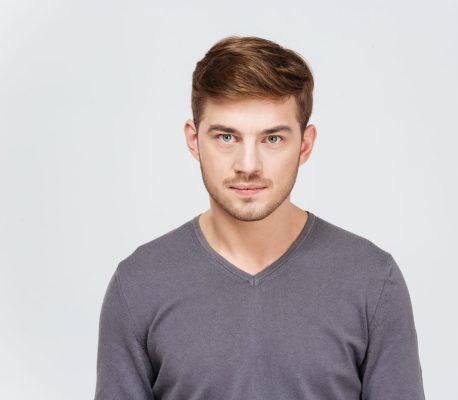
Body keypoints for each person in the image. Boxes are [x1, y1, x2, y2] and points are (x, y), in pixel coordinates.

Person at [94, 35, 426, 400]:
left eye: (272, 139)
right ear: (193, 140)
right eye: (225, 137)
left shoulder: (372, 281)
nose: (248, 166)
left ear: (305, 144)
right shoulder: (140, 284)